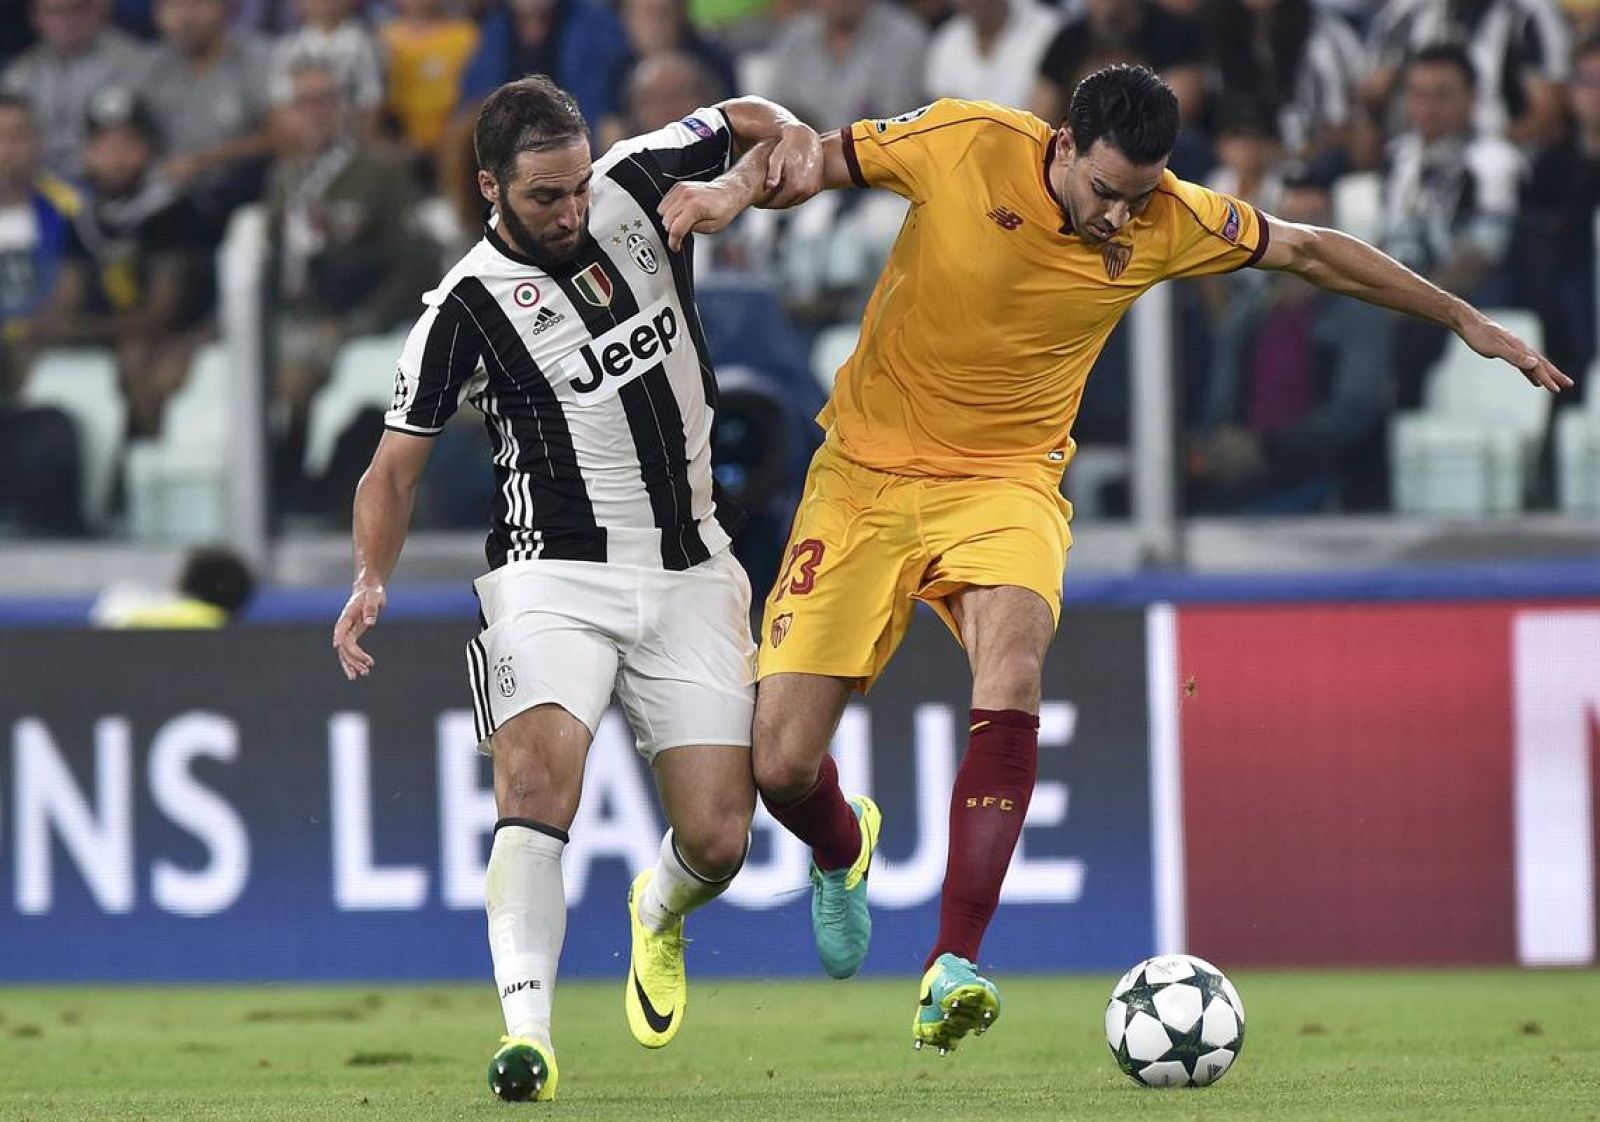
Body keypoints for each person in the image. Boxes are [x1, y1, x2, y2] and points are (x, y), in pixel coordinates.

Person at [659, 64, 1571, 1055]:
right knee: (781, 765)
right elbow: (812, 155)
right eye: (1105, 192)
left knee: (1012, 668)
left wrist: (1462, 317)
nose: (1119, 219)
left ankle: (951, 962)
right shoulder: (964, 141)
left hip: (1007, 481)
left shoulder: (1168, 216)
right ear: (1061, 145)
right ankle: (843, 849)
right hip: (864, 477)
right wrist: (731, 189)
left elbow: (1310, 250)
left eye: (1139, 197)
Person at [330, 74, 821, 1101]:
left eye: (576, 186)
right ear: (489, 187)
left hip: (693, 568)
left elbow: (767, 121)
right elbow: (391, 471)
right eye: (544, 196)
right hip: (550, 573)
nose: (569, 211)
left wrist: (736, 186)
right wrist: (370, 576)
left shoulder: (636, 182)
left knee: (719, 839)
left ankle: (659, 908)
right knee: (535, 786)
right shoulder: (463, 309)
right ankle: (529, 1038)